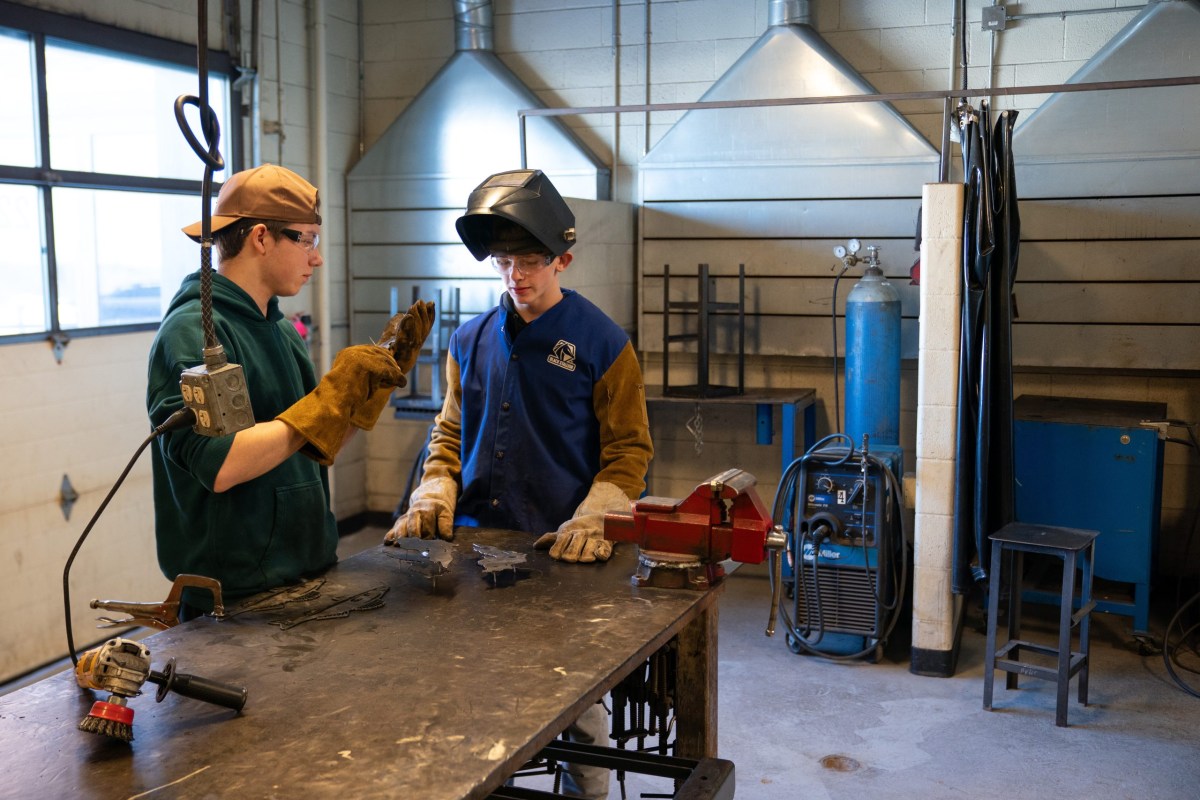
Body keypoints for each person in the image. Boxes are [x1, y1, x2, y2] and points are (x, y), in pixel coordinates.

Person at [384, 168, 653, 799]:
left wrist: (597, 517)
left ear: (563, 259)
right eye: (505, 261)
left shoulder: (604, 343)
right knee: (472, 694)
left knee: (577, 704)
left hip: (560, 550)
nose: (518, 276)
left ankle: (588, 791)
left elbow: (629, 450)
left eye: (531, 260)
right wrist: (434, 489)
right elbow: (449, 434)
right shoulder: (468, 339)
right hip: (476, 548)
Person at [147, 163, 431, 614]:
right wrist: (327, 402)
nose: (316, 258)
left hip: (307, 576)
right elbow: (221, 466)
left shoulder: (279, 330)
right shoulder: (193, 333)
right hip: (234, 602)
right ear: (261, 237)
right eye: (307, 240)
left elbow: (312, 441)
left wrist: (364, 395)